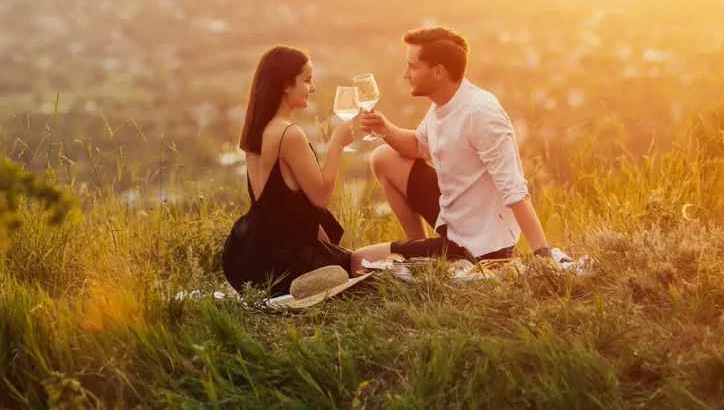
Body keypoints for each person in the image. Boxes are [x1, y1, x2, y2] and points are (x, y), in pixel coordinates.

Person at [352, 27, 552, 268]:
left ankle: (421, 258)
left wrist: (544, 259)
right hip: (456, 213)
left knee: (358, 261)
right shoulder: (443, 104)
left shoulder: (480, 113)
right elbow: (419, 145)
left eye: (413, 66)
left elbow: (515, 191)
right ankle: (418, 246)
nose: (406, 74)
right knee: (383, 156)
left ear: (438, 72)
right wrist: (385, 129)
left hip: (476, 245)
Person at [221, 46, 357, 297]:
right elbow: (321, 196)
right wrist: (336, 144)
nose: (313, 88)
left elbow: (280, 208)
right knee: (365, 263)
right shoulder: (288, 133)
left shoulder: (254, 133)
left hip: (246, 258)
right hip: (284, 263)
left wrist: (327, 250)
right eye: (307, 80)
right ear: (285, 84)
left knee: (348, 259)